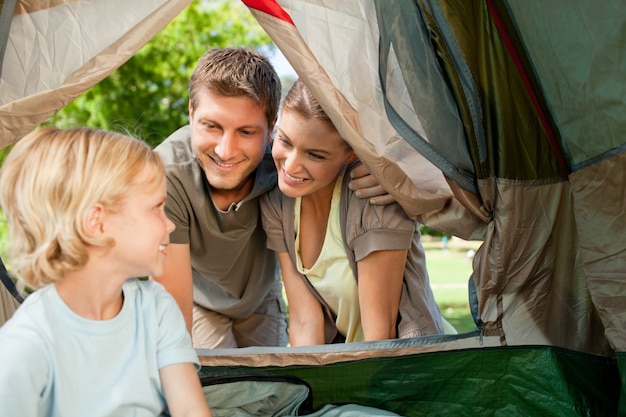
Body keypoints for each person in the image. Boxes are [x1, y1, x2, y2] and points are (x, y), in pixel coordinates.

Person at [152, 47, 392, 349]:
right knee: (225, 387)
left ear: (271, 130)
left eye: (246, 132)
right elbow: (176, 310)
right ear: (191, 113)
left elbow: (334, 159)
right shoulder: (167, 175)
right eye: (211, 126)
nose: (225, 151)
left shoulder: (284, 167)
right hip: (199, 299)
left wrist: (382, 173)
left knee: (273, 387)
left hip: (261, 298)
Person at [0, 127, 212, 417]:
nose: (170, 225)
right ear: (97, 223)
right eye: (157, 208)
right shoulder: (27, 343)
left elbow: (189, 410)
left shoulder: (157, 308)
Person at [260, 80, 445, 345]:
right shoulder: (278, 201)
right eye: (285, 141)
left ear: (350, 154)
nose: (290, 166)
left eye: (315, 155)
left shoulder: (374, 197)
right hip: (344, 362)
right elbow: (304, 321)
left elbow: (379, 336)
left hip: (403, 365)